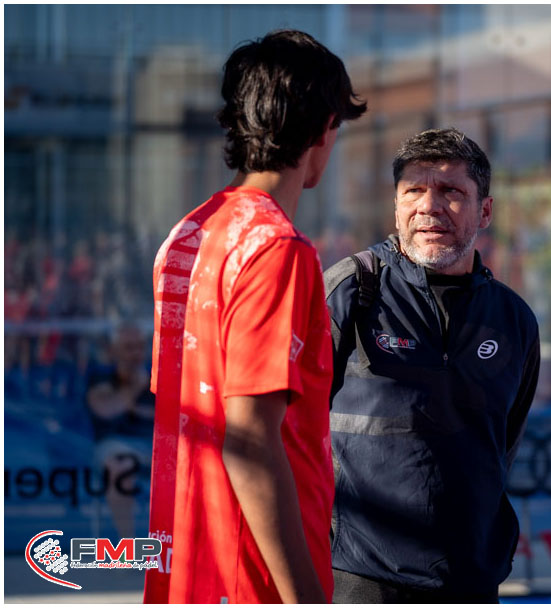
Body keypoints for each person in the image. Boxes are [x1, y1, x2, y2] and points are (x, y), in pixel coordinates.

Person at [144, 30, 365, 603]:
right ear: (323, 130)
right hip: (253, 576)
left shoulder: (187, 235)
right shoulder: (278, 249)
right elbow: (250, 441)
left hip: (187, 565)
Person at [324, 127, 540, 602]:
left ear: (485, 210)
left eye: (450, 191)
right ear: (395, 206)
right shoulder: (351, 290)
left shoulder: (514, 319)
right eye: (413, 191)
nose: (429, 206)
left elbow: (502, 445)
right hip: (360, 578)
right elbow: (293, 431)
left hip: (472, 580)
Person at [85, 323, 155, 540]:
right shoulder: (101, 378)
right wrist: (134, 387)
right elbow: (105, 409)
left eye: (140, 347)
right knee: (120, 467)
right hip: (114, 446)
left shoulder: (158, 375)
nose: (135, 353)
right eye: (128, 347)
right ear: (113, 350)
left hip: (156, 447)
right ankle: (128, 543)